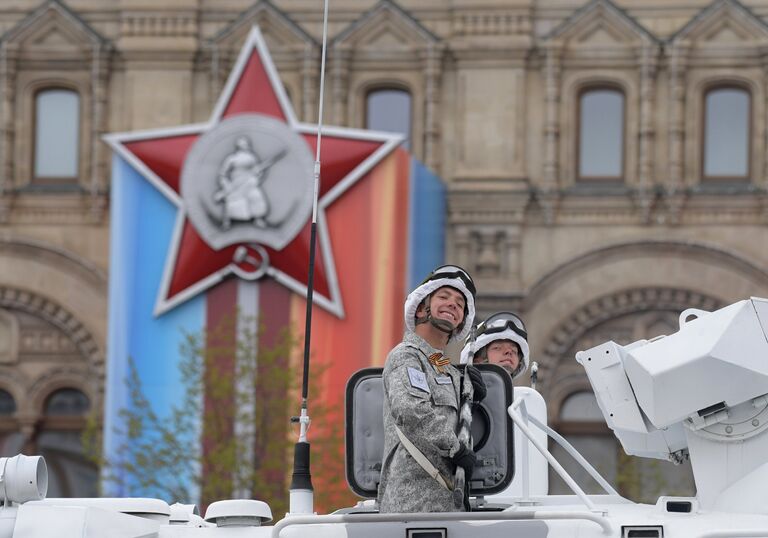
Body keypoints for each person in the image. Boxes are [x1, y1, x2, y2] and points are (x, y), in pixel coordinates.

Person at [377, 265, 486, 513]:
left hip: (448, 504)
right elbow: (411, 409)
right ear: (421, 309)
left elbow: (444, 370)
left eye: (460, 303)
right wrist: (455, 448)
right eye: (444, 297)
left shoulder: (438, 363)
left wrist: (468, 385)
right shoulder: (406, 356)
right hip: (411, 504)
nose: (453, 305)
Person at [459, 311, 530, 382]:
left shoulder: (523, 393)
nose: (508, 351)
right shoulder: (454, 391)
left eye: (514, 351)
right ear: (476, 360)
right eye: (498, 348)